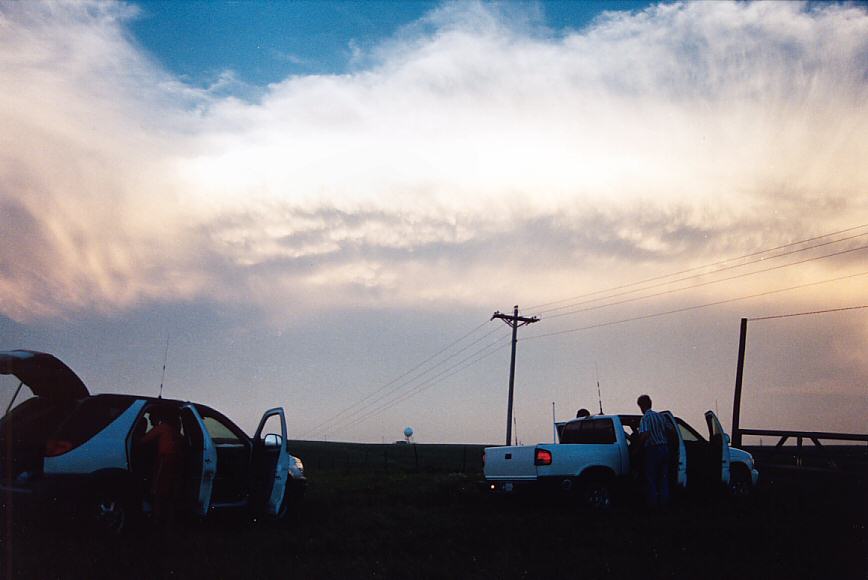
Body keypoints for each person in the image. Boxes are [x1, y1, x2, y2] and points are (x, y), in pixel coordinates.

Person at [139, 408, 183, 527]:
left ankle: (156, 520)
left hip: (165, 461)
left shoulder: (162, 428)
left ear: (159, 417)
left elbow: (143, 440)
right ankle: (169, 520)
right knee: (170, 492)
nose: (151, 421)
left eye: (152, 418)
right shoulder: (175, 430)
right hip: (175, 461)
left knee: (158, 491)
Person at [636, 394, 673, 508]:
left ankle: (653, 503)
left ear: (641, 406)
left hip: (652, 450)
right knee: (664, 477)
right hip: (664, 448)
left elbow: (645, 434)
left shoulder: (645, 418)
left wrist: (637, 448)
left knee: (651, 478)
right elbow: (671, 430)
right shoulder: (661, 417)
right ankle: (664, 502)